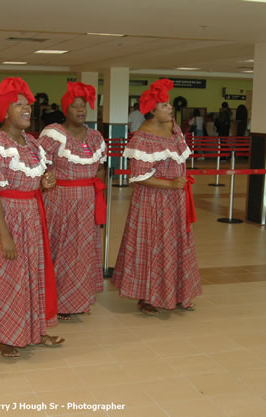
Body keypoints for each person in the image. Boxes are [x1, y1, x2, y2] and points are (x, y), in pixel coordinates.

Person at [0, 77, 64, 358]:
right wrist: (4, 235)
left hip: (29, 216)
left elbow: (34, 178)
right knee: (5, 276)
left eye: (27, 104)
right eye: (18, 104)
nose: (26, 108)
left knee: (29, 274)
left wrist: (45, 182)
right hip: (3, 217)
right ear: (4, 111)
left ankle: (32, 329)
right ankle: (3, 335)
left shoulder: (32, 143)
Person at [112, 78, 201, 316]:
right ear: (152, 110)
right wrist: (170, 183)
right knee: (151, 246)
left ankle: (179, 292)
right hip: (152, 201)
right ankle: (147, 296)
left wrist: (177, 185)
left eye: (170, 105)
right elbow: (139, 176)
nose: (170, 109)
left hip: (175, 201)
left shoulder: (175, 131)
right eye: (164, 105)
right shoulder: (143, 137)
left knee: (176, 245)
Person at [38, 81, 107, 321]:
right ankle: (56, 301)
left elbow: (100, 169)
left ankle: (78, 299)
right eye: (75, 106)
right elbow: (39, 166)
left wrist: (94, 187)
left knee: (83, 252)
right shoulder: (54, 134)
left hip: (87, 201)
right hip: (60, 201)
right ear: (65, 109)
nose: (80, 110)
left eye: (83, 106)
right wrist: (47, 180)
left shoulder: (96, 137)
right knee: (61, 250)